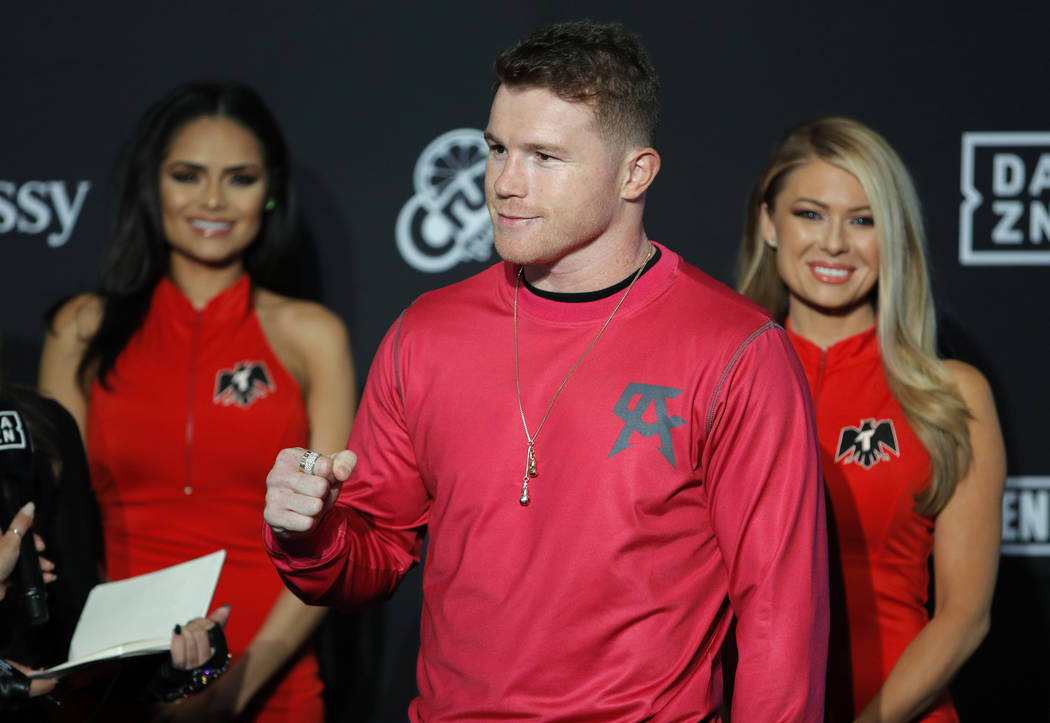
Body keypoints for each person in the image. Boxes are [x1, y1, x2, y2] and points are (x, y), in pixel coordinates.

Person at [263, 21, 828, 722]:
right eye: (497, 148)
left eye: (544, 156)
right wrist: (309, 534)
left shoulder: (736, 350)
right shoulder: (426, 333)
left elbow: (780, 617)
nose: (505, 181)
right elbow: (369, 555)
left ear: (635, 173)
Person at [38, 83, 356, 721]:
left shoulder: (311, 336)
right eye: (188, 175)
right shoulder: (81, 330)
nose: (212, 200)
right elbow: (58, 519)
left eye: (239, 178)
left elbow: (330, 537)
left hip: (269, 687)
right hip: (111, 680)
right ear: (152, 186)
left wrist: (234, 687)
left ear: (270, 193)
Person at [737, 117, 1006, 722]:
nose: (834, 243)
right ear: (767, 222)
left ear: (895, 236)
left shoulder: (951, 396)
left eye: (863, 220)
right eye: (810, 213)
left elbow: (965, 614)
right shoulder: (720, 380)